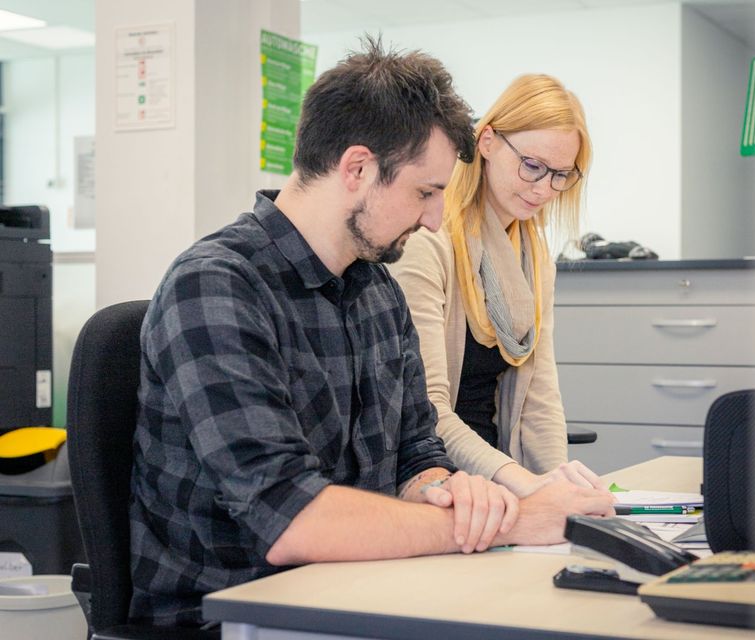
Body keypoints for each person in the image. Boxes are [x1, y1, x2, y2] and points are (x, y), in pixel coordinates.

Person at [128, 40, 614, 628]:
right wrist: (513, 519)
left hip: (363, 590)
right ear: (357, 168)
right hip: (233, 614)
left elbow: (416, 454)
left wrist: (452, 493)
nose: (436, 218)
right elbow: (289, 518)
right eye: (425, 192)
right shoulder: (216, 287)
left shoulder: (376, 290)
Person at [389, 74, 604, 499]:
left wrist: (558, 486)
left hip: (498, 476)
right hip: (436, 479)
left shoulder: (533, 254)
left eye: (561, 175)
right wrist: (524, 483)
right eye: (532, 166)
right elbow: (426, 409)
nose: (544, 189)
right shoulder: (428, 240)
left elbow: (540, 396)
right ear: (487, 141)